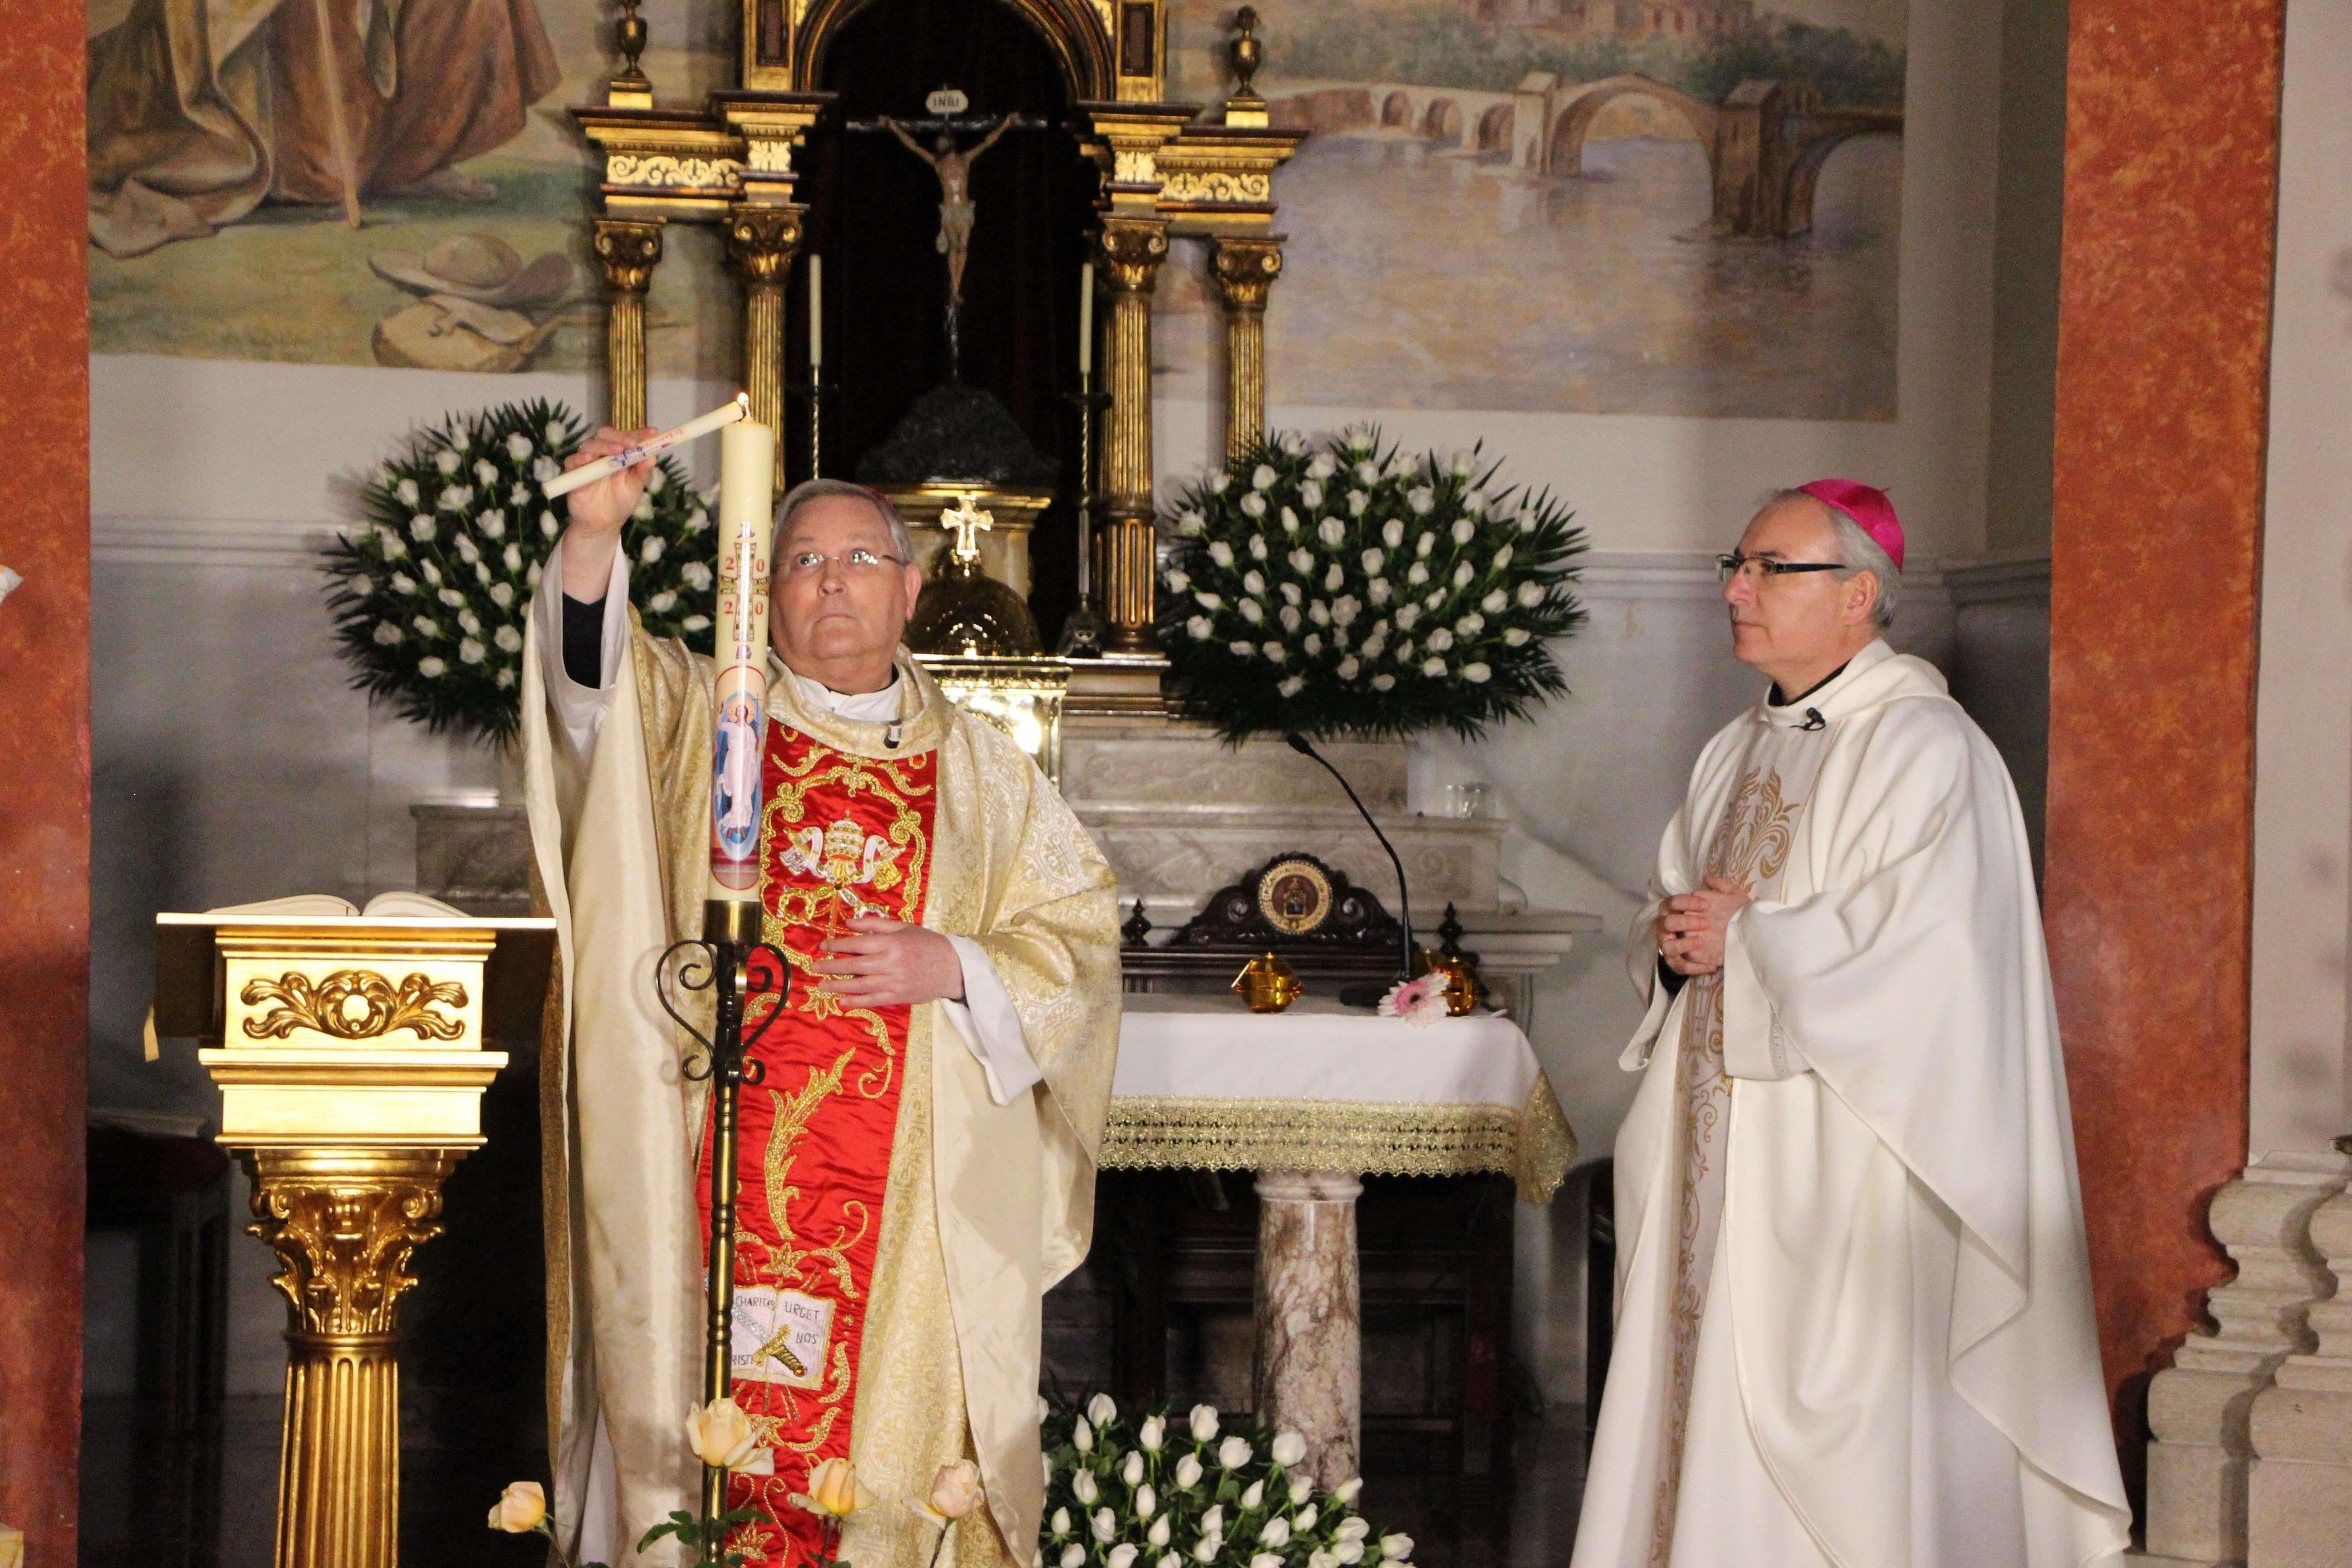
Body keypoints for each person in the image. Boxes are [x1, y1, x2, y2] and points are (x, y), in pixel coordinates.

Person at [519, 430, 1122, 1568]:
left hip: (907, 1204)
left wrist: (954, 965)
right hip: (712, 1160)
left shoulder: (985, 773)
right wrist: (593, 539)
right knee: (697, 1447)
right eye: (800, 562)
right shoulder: (708, 720)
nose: (830, 582)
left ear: (908, 591)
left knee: (885, 1468)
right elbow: (586, 704)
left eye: (856, 560)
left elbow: (1081, 937)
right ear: (761, 588)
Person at [1570, 482, 2130, 1568]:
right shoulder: (1735, 749)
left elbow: (1936, 958)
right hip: (1718, 1156)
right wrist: (1676, 945)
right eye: (1738, 565)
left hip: (1846, 1169)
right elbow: (1686, 908)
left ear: (1859, 593)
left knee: (1850, 1438)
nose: (1737, 588)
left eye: (1770, 568)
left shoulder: (1927, 749)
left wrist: (1756, 941)